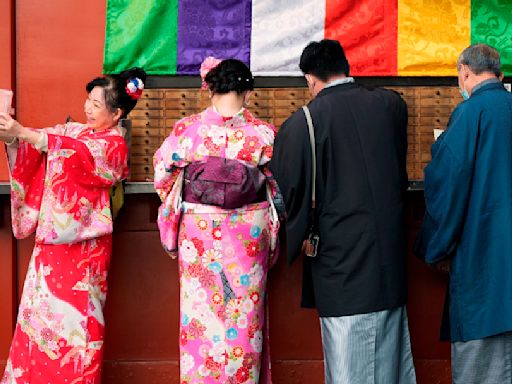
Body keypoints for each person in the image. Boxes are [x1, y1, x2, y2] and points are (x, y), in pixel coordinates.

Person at [269, 39, 416, 384]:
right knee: (392, 353)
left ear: (310, 79)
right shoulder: (389, 105)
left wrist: (301, 232)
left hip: (340, 256)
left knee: (348, 359)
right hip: (388, 252)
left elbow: (289, 189)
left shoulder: (303, 122)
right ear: (345, 68)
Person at [0, 67, 146, 383]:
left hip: (85, 248)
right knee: (38, 316)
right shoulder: (75, 131)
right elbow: (39, 143)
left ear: (117, 112)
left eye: (96, 104)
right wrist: (11, 134)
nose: (87, 108)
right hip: (51, 243)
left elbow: (71, 150)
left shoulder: (113, 145)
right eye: (88, 101)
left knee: (78, 320)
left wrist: (26, 134)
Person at [153, 58, 283, 383]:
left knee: (201, 315)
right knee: (243, 315)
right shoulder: (264, 134)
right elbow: (279, 187)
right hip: (248, 235)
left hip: (199, 237)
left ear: (209, 88)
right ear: (248, 91)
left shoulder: (188, 130)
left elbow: (162, 174)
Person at [415, 44, 512, 384]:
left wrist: (436, 246)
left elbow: (447, 182)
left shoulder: (470, 114)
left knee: (481, 363)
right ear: (498, 74)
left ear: (465, 73)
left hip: (482, 255)